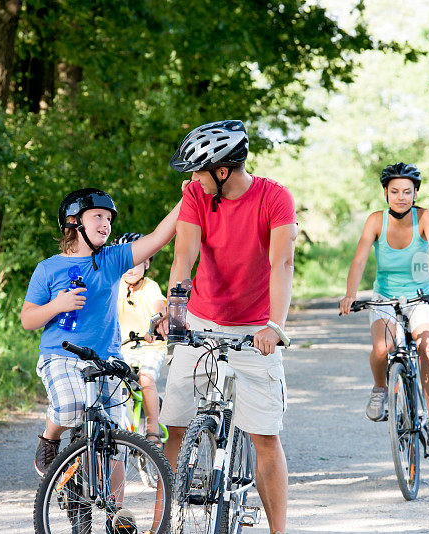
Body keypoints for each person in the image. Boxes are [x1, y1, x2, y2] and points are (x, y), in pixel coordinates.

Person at [158, 119, 297, 534]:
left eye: (199, 170)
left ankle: (278, 531)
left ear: (222, 171)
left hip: (255, 330)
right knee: (178, 426)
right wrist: (175, 313)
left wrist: (274, 325)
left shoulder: (275, 198)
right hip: (200, 318)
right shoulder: (195, 195)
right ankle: (160, 523)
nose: (193, 179)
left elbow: (282, 264)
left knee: (265, 438)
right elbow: (183, 257)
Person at [21, 188, 181, 477]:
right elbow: (28, 320)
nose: (106, 223)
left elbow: (159, 238)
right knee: (70, 407)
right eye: (98, 216)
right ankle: (51, 436)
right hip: (61, 356)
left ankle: (116, 515)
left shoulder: (112, 259)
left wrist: (189, 197)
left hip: (106, 358)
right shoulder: (48, 269)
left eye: (109, 218)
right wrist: (57, 305)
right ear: (73, 221)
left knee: (115, 441)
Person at [338, 162, 429, 455]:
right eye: (394, 191)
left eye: (407, 191)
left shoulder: (424, 218)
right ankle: (380, 388)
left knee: (427, 351)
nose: (401, 197)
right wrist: (350, 294)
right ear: (385, 193)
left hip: (421, 296)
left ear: (415, 194)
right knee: (382, 349)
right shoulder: (376, 221)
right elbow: (360, 259)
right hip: (385, 297)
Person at [114, 232, 168, 446]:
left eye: (135, 262)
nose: (130, 267)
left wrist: (155, 324)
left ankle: (152, 428)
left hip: (150, 347)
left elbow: (158, 307)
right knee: (108, 379)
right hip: (123, 348)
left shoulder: (151, 287)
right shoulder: (115, 286)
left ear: (146, 262)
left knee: (146, 377)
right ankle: (117, 426)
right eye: (125, 261)